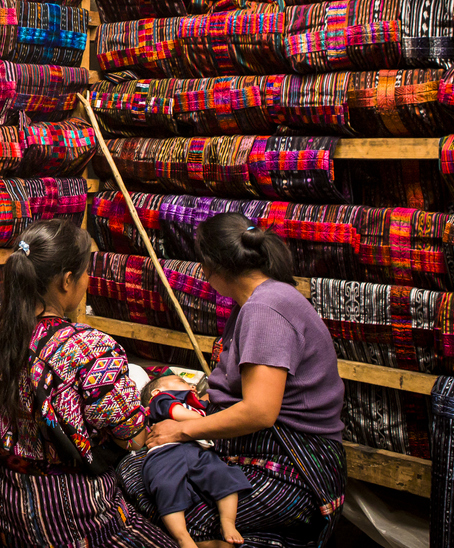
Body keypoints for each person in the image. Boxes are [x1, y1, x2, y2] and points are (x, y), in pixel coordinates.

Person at [124, 212, 347, 548]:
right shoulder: (262, 301)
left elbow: (260, 411)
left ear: (213, 266)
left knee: (156, 499)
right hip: (264, 453)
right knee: (141, 473)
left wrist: (181, 429)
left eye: (202, 264)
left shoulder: (265, 310)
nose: (201, 273)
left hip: (292, 467)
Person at [0, 218, 176, 548]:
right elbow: (132, 440)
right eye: (86, 273)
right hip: (68, 523)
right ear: (66, 280)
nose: (88, 281)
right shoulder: (87, 348)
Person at [140, 374, 251, 548]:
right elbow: (178, 413)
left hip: (197, 450)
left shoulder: (197, 406)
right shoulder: (161, 400)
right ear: (157, 391)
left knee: (223, 474)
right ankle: (182, 537)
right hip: (165, 453)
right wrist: (209, 422)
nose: (192, 386)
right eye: (181, 382)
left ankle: (228, 522)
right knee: (166, 487)